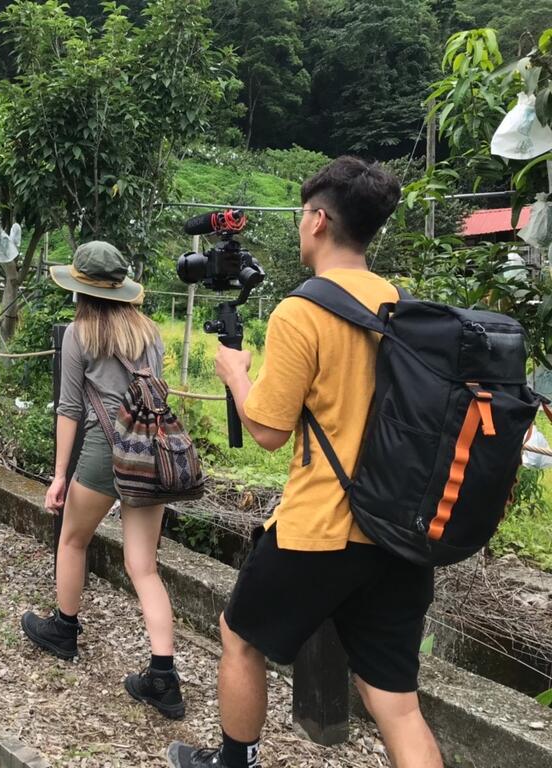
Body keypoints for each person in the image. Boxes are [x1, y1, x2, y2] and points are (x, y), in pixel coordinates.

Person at [166, 157, 442, 768]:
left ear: (319, 221)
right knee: (394, 698)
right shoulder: (403, 306)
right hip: (397, 531)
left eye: (301, 217)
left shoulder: (302, 310)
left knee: (240, 637)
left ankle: (234, 761)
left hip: (322, 526)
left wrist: (236, 375)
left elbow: (265, 429)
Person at [19, 242, 184, 718]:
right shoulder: (148, 332)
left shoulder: (79, 334)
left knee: (72, 541)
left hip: (102, 451)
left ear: (81, 289)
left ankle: (64, 629)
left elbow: (70, 409)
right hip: (148, 453)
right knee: (144, 566)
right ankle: (162, 676)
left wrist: (59, 477)